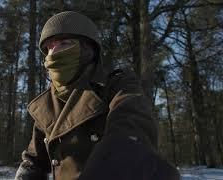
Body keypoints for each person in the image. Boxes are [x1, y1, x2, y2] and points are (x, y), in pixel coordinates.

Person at [14, 11, 180, 180]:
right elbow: (33, 161)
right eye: (49, 47)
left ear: (88, 49)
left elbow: (131, 128)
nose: (54, 53)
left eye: (64, 43)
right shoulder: (45, 105)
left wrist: (121, 155)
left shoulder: (117, 86)